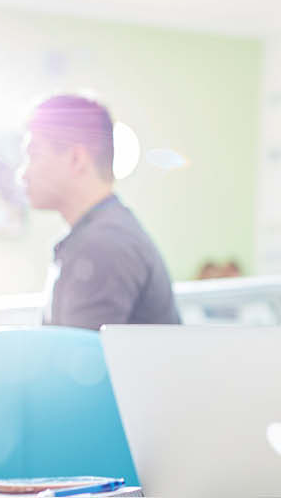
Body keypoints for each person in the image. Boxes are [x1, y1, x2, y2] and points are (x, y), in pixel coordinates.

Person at [20, 94, 180, 330]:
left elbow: (75, 364)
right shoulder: (100, 232)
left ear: (76, 159)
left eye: (34, 155)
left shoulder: (103, 244)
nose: (24, 173)